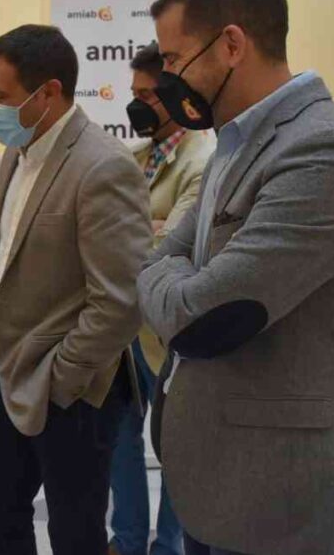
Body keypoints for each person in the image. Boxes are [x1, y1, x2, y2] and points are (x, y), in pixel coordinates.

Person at [137, 0, 334, 555]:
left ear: (231, 45)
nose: (168, 78)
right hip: (214, 476)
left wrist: (164, 277)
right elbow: (164, 256)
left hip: (272, 491)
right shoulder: (235, 143)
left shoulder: (328, 150)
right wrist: (167, 271)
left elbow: (199, 318)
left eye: (174, 60)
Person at [0, 24, 152, 554]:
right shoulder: (17, 150)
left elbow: (120, 299)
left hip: (70, 386)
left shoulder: (103, 165)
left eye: (0, 96)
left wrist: (63, 375)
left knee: (74, 532)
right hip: (15, 369)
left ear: (48, 92)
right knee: (0, 509)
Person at [109, 42, 213, 555]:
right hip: (121, 326)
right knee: (119, 440)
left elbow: (174, 247)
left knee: (175, 447)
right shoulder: (133, 158)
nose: (138, 105)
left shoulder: (205, 160)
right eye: (134, 94)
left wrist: (136, 233)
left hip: (168, 331)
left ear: (175, 94)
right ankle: (127, 541)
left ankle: (167, 546)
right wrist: (144, 229)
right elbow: (102, 235)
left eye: (148, 95)